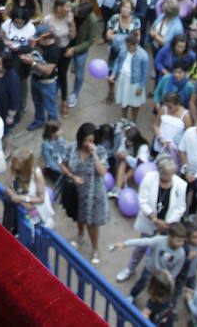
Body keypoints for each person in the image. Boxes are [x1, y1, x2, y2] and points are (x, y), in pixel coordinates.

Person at [118, 157, 187, 285]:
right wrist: (155, 220)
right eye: (166, 174)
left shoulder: (181, 185)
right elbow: (142, 200)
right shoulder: (149, 178)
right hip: (150, 221)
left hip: (168, 225)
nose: (169, 177)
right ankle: (130, 269)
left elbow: (181, 207)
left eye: (171, 174)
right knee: (142, 246)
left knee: (163, 251)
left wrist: (167, 223)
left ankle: (157, 277)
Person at [66, 122, 109, 263]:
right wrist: (73, 177)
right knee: (78, 216)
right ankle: (80, 235)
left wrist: (94, 155)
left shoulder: (101, 151)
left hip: (94, 193)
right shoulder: (72, 148)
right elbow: (63, 164)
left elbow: (102, 172)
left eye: (90, 140)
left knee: (92, 223)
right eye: (85, 140)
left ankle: (95, 248)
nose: (87, 144)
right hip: (77, 191)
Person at [5, 148, 55, 231]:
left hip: (36, 208)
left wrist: (22, 199)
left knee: (35, 227)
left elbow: (41, 199)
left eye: (18, 166)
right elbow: (7, 186)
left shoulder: (36, 175)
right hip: (23, 205)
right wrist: (18, 198)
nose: (14, 166)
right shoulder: (12, 167)